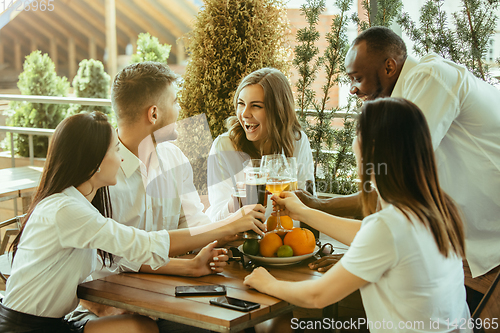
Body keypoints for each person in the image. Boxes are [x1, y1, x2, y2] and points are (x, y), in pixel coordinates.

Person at [0, 112, 263, 333]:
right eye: (115, 149)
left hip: (56, 324)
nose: (122, 157)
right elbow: (142, 243)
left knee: (142, 326)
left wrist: (190, 267)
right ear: (95, 164)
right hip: (24, 327)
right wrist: (230, 224)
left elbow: (119, 257)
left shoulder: (79, 204)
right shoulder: (65, 210)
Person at [68, 62, 266, 332]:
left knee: (243, 324)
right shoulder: (100, 174)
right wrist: (200, 253)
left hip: (167, 296)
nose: (180, 110)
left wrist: (225, 233)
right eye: (175, 101)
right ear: (153, 113)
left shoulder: (174, 158)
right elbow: (115, 259)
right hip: (108, 310)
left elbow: (193, 226)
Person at [245, 98, 471, 332]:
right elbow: (367, 234)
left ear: (370, 148)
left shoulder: (389, 227)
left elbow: (317, 297)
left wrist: (267, 282)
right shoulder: (438, 208)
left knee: (274, 325)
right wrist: (304, 212)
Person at [298, 26, 500, 281]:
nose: (352, 90)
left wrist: (365, 255)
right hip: (464, 246)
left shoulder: (431, 77)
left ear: (390, 68)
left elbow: (394, 183)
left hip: (491, 247)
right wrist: (318, 205)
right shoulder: (407, 98)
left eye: (357, 78)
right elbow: (388, 189)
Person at [206, 67, 315, 223]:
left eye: (256, 106)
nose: (244, 114)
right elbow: (215, 218)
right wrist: (236, 202)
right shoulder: (224, 146)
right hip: (242, 243)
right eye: (241, 103)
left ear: (278, 110)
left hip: (287, 241)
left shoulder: (297, 140)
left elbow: (308, 203)